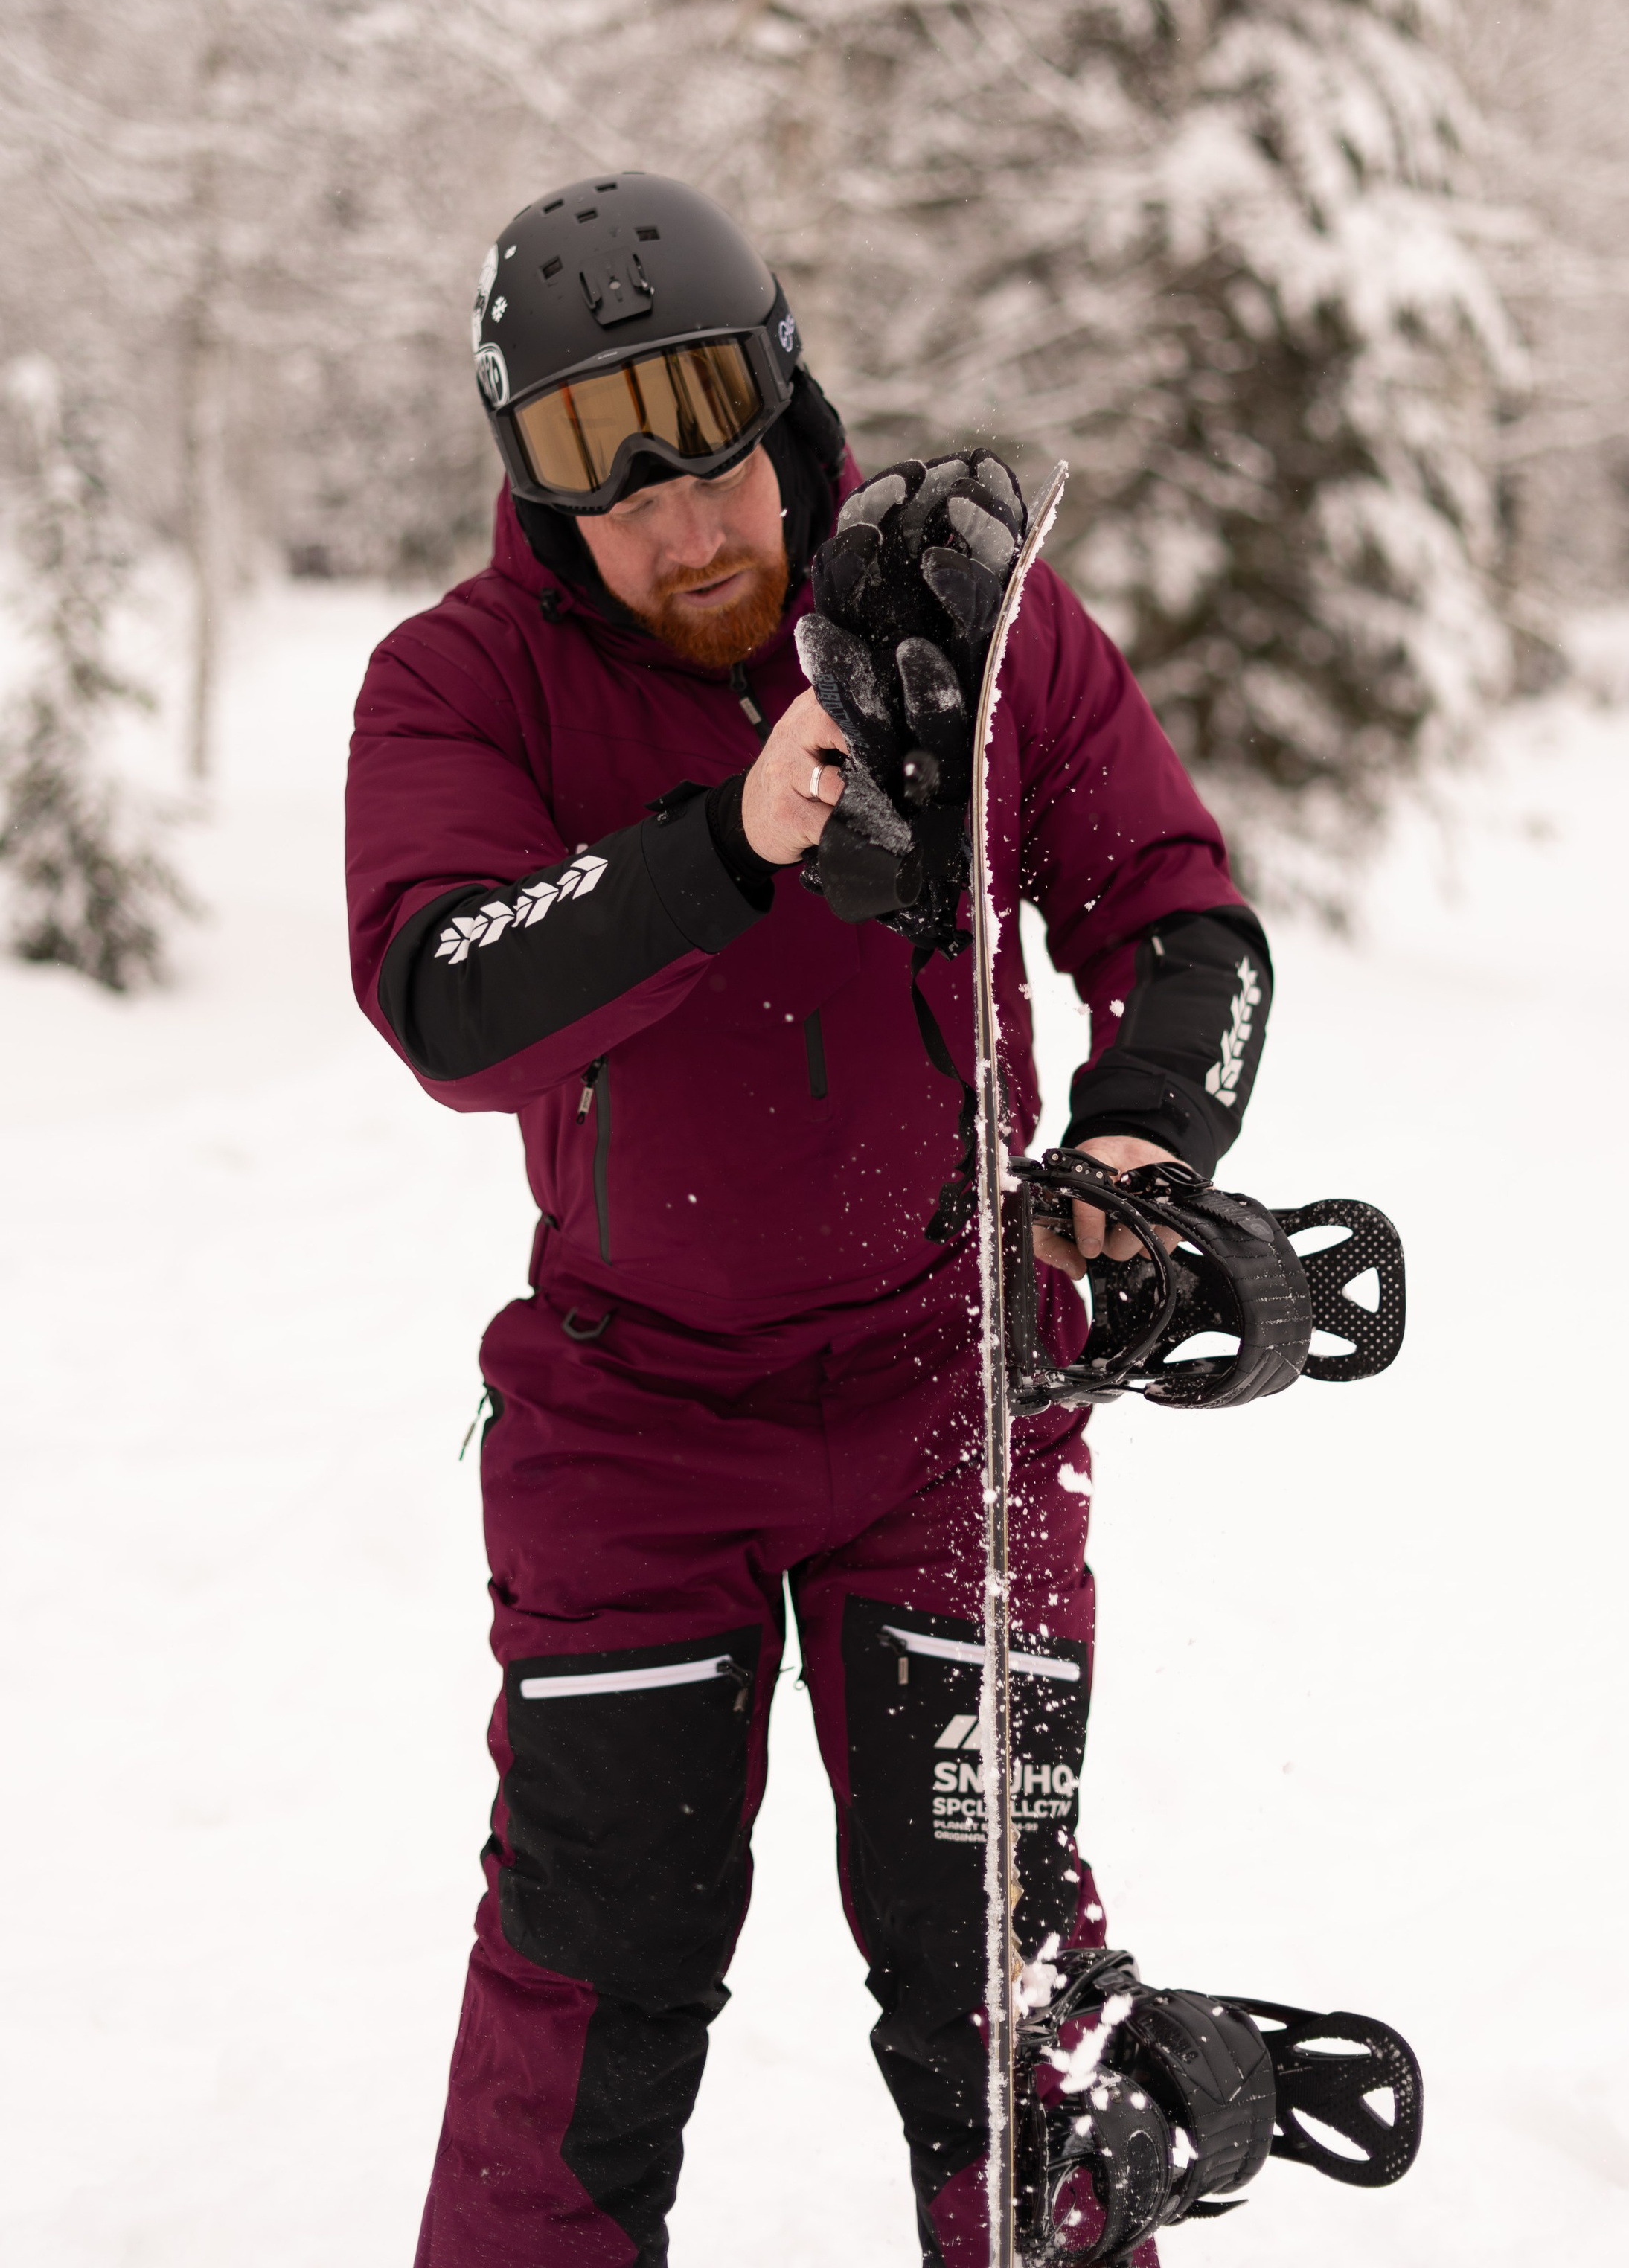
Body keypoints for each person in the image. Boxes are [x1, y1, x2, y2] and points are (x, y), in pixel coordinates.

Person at [345, 173, 1273, 2267]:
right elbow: (447, 990)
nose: (683, 529)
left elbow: (1183, 918)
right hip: (629, 1429)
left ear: (786, 405)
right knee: (600, 1959)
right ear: (536, 493)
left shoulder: (964, 612)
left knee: (1001, 1984)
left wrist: (1132, 1156)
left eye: (714, 458)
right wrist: (729, 840)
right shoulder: (457, 684)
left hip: (956, 1414)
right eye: (613, 487)